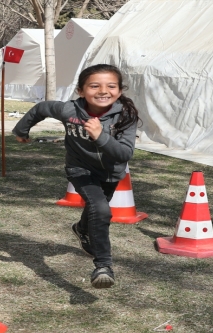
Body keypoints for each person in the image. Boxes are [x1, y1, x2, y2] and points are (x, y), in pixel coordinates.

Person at [12, 64, 140, 289]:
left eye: (111, 86)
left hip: (111, 173)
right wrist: (22, 130)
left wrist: (101, 136)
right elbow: (41, 108)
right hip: (79, 169)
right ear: (81, 91)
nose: (103, 91)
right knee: (101, 210)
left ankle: (81, 229)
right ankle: (103, 266)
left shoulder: (126, 115)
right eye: (94, 86)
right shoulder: (69, 110)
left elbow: (124, 154)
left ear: (119, 91)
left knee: (95, 211)